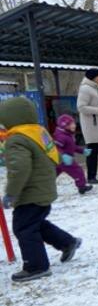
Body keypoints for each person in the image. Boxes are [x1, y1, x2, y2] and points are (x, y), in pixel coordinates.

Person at [0, 97, 81, 282]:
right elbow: (53, 154)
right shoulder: (38, 132)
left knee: (24, 228)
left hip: (31, 192)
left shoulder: (17, 139)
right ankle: (67, 242)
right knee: (35, 223)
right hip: (45, 188)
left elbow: (19, 169)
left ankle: (36, 266)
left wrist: (11, 193)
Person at [53, 114, 92, 194]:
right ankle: (82, 187)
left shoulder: (68, 135)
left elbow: (73, 147)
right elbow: (56, 148)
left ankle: (44, 186)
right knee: (77, 171)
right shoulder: (61, 136)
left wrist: (82, 151)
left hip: (61, 161)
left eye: (74, 123)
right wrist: (63, 155)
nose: (74, 125)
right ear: (64, 125)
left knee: (52, 174)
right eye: (71, 124)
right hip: (65, 160)